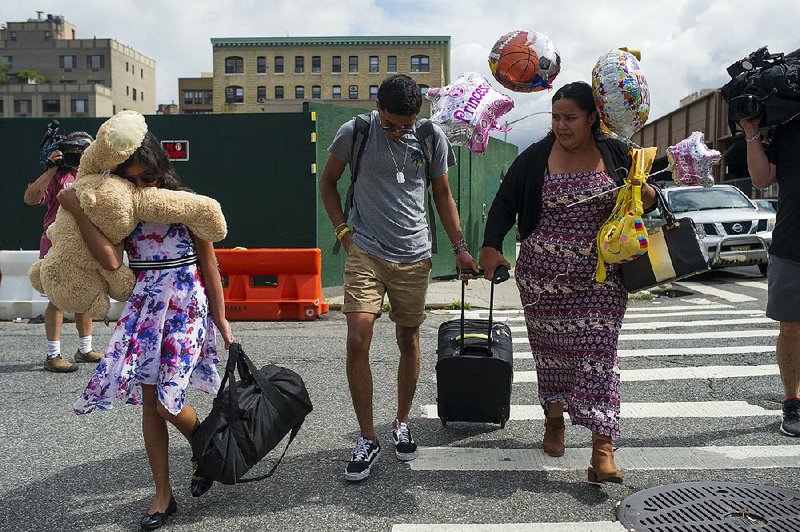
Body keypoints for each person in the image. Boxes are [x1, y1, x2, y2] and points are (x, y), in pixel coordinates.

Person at [479, 81, 656, 484]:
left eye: (570, 118)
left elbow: (648, 199)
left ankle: (602, 451)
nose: (561, 125)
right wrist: (491, 247)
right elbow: (505, 202)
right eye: (556, 117)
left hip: (602, 279)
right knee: (553, 356)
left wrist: (645, 195)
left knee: (599, 355)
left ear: (593, 118)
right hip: (543, 282)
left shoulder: (618, 153)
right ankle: (554, 421)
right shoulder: (535, 157)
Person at [63, 131, 236, 530]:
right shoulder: (120, 211)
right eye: (135, 179)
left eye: (149, 176)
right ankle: (164, 494)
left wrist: (221, 317)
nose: (144, 185)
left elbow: (209, 264)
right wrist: (74, 206)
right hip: (144, 308)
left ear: (162, 168)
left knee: (166, 402)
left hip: (186, 305)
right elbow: (110, 260)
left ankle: (207, 447)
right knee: (150, 404)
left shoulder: (185, 203)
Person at [319, 74, 477, 482]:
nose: (398, 131)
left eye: (405, 124)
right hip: (365, 250)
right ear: (377, 106)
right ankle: (367, 437)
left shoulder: (430, 136)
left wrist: (459, 248)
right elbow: (328, 183)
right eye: (391, 123)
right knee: (357, 337)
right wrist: (343, 232)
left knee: (408, 338)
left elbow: (443, 194)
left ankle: (401, 422)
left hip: (413, 254)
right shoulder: (355, 132)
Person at [23, 131, 103, 373]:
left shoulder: (98, 176)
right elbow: (30, 199)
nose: (79, 157)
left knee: (85, 295)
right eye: (75, 153)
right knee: (57, 298)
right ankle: (52, 354)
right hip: (56, 242)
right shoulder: (59, 175)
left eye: (84, 152)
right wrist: (50, 169)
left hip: (87, 243)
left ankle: (85, 349)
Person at [740, 115, 800, 437]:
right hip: (793, 244)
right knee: (791, 327)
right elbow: (762, 179)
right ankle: (792, 402)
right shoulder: (789, 126)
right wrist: (751, 132)